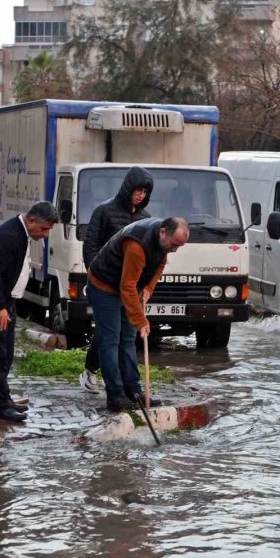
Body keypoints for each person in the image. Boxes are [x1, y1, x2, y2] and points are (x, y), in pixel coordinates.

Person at [87, 217, 189, 412]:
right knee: (111, 340)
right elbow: (127, 286)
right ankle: (115, 396)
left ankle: (133, 391)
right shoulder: (137, 245)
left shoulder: (163, 244)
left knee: (128, 338)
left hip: (127, 286)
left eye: (180, 246)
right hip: (104, 285)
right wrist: (141, 320)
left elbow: (160, 265)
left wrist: (149, 287)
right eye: (174, 244)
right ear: (162, 232)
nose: (175, 249)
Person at [0, 202, 58, 422]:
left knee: (6, 354)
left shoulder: (21, 233)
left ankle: (2, 398)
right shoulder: (9, 236)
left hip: (6, 302)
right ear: (31, 220)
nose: (45, 234)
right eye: (44, 229)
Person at [79, 166, 154, 394]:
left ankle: (110, 376)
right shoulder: (104, 211)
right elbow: (90, 245)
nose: (140, 195)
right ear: (128, 188)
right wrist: (94, 275)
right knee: (110, 333)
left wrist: (145, 286)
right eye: (137, 190)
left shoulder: (145, 218)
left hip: (130, 285)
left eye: (145, 192)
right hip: (105, 282)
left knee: (121, 335)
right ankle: (99, 376)